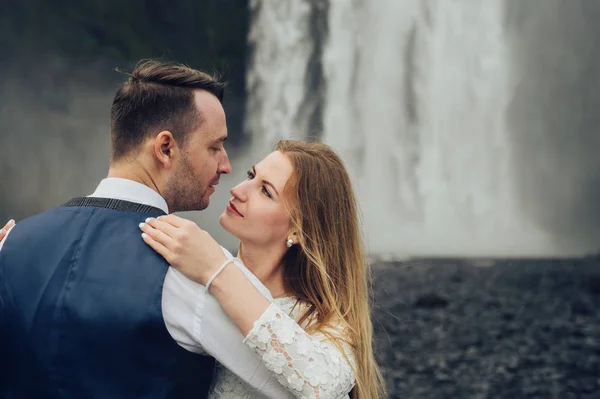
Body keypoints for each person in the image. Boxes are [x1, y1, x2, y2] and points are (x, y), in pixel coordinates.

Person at [0, 60, 293, 398]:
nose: (227, 166)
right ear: (165, 148)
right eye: (214, 146)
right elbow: (293, 385)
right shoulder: (193, 269)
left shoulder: (12, 245)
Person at [136, 140, 387, 398]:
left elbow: (326, 388)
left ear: (298, 230)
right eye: (251, 175)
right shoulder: (194, 274)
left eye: (266, 191)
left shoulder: (320, 322)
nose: (238, 190)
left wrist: (217, 269)